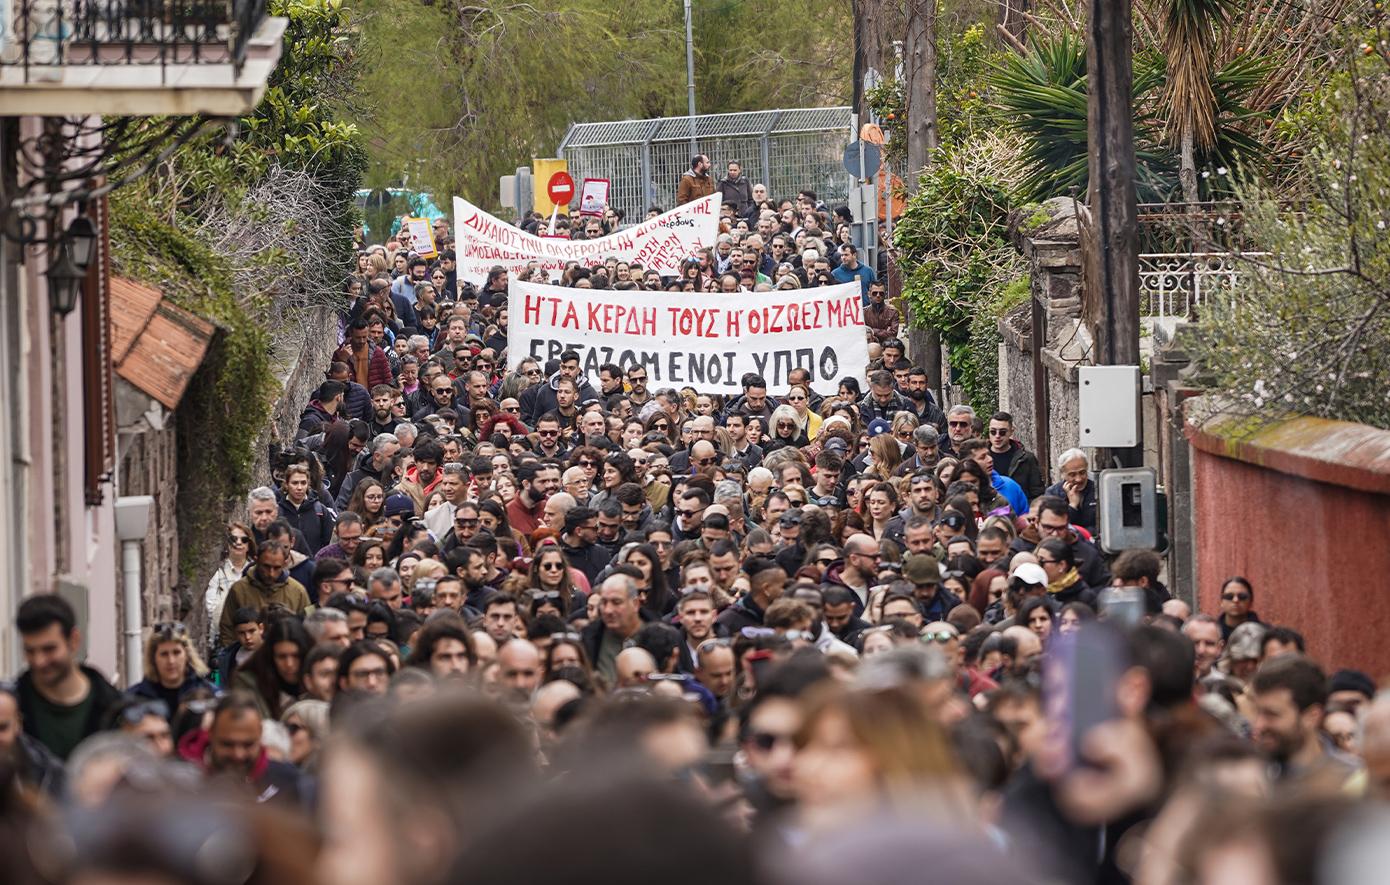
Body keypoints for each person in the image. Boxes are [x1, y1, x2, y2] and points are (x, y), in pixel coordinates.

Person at [13, 594, 122, 760]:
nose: (39, 661)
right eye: (30, 651)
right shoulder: (12, 706)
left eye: (49, 649)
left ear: (74, 640)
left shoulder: (116, 709)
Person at [177, 691, 302, 804]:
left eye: (248, 744)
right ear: (210, 733)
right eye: (227, 744)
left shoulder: (287, 782)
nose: (238, 754)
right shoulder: (181, 782)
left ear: (260, 733)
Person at [218, 541, 312, 647]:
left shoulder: (297, 592)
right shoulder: (239, 589)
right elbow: (227, 628)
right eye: (266, 566)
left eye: (276, 568)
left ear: (284, 564)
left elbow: (306, 629)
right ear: (256, 561)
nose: (271, 573)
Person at [126, 622, 216, 714]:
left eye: (176, 653)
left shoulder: (211, 695)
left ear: (187, 654)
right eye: (164, 654)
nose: (171, 661)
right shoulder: (134, 699)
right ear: (154, 657)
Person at [580, 574, 653, 682]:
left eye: (616, 603)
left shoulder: (658, 635)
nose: (608, 610)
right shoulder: (589, 639)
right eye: (604, 603)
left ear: (635, 604)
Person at [206, 521, 255, 652]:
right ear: (227, 544)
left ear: (249, 545)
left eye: (244, 539)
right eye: (234, 539)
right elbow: (211, 608)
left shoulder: (256, 571)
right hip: (223, 636)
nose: (239, 543)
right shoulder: (215, 572)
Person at [986, 412, 1045, 501]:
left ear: (1011, 432)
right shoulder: (978, 458)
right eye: (993, 431)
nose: (997, 436)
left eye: (1002, 432)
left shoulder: (1026, 459)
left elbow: (1037, 493)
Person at [1043, 448, 1098, 537]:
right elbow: (1054, 527)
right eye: (1072, 475)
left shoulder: (1097, 489)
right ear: (1062, 473)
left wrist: (1082, 535)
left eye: (1082, 472)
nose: (1078, 479)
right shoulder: (1053, 493)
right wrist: (1072, 506)